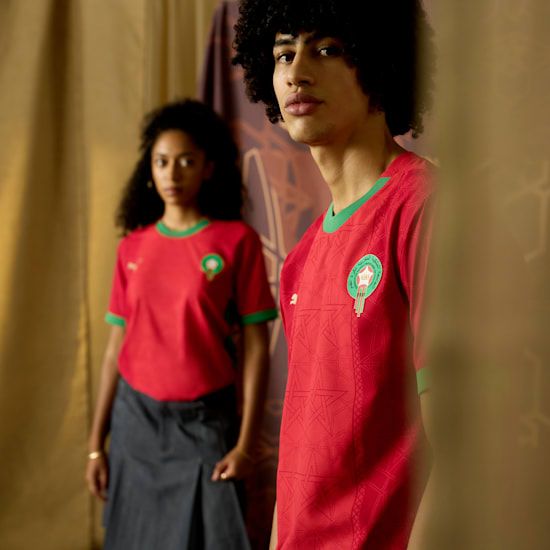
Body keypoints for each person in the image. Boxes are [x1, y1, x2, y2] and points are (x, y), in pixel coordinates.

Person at [233, 0, 436, 548]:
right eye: (283, 54)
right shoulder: (299, 260)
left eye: (327, 49)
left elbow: (460, 444)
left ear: (380, 63)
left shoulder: (424, 209)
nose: (297, 72)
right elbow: (303, 446)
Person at [85, 99, 278, 550]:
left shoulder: (236, 242)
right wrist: (96, 444)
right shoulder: (132, 248)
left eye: (186, 161)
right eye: (162, 162)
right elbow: (115, 349)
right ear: (149, 170)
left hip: (205, 423)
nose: (172, 173)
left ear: (208, 168)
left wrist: (246, 444)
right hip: (134, 424)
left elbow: (255, 349)